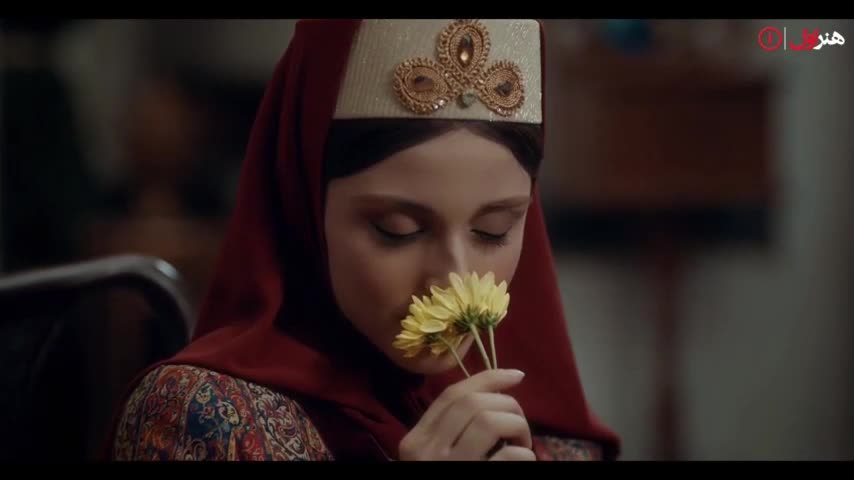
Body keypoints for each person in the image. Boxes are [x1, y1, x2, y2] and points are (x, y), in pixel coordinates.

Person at [108, 19, 621, 461]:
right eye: (398, 230)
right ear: (306, 199)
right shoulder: (203, 419)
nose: (453, 281)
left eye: (494, 231)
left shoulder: (546, 439)